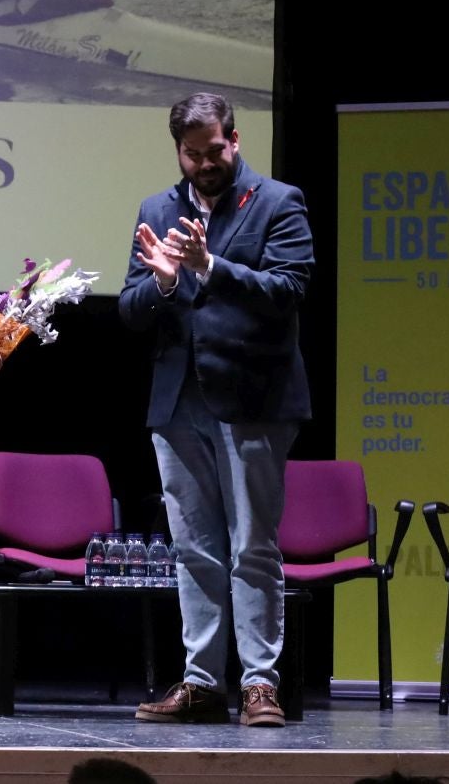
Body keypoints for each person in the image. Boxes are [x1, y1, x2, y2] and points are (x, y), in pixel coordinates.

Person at [120, 92, 312, 728]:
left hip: (252, 399)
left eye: (215, 150)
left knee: (251, 545)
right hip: (178, 403)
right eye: (192, 153)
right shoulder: (157, 208)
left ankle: (260, 683)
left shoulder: (278, 202)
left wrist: (211, 266)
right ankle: (203, 682)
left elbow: (288, 291)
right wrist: (167, 283)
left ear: (235, 139)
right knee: (193, 548)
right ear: (178, 149)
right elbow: (129, 307)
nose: (204, 163)